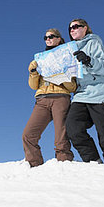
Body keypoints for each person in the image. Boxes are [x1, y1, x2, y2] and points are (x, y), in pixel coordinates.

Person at [65, 19, 104, 164]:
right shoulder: (68, 50)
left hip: (100, 93)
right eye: (70, 28)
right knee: (72, 128)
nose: (72, 29)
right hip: (81, 94)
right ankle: (93, 162)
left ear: (85, 28)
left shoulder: (94, 42)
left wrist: (88, 60)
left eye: (76, 26)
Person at [22, 28, 76, 167]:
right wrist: (33, 72)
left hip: (60, 98)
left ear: (59, 38)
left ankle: (64, 164)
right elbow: (33, 86)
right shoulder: (40, 59)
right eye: (45, 37)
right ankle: (34, 165)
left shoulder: (67, 57)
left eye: (51, 36)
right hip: (42, 99)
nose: (48, 39)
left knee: (61, 136)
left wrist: (60, 76)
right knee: (28, 134)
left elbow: (73, 87)